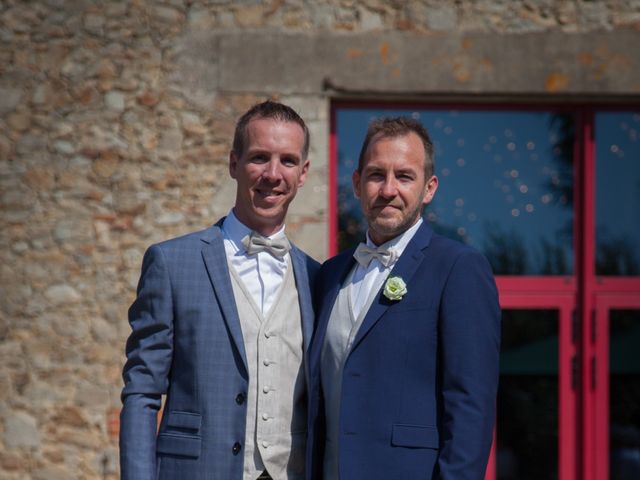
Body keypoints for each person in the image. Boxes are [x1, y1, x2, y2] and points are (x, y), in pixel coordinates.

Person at [120, 100, 319, 480]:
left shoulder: (317, 277)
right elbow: (142, 391)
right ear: (234, 164)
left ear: (304, 172)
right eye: (259, 157)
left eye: (288, 161)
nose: (273, 174)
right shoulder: (172, 263)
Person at [306, 117, 501, 479]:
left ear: (429, 189)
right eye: (377, 174)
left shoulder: (459, 268)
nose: (388, 189)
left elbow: (470, 404)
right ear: (357, 183)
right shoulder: (330, 274)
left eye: (405, 176)